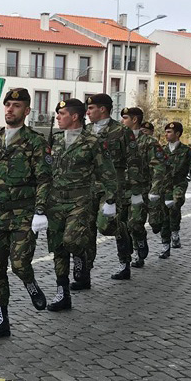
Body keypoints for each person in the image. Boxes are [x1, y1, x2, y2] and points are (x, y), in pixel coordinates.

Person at [0, 88, 51, 340]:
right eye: (7, 105)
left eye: (16, 105)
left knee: (19, 264)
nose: (10, 109)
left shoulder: (36, 142)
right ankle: (1, 318)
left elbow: (44, 179)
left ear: (26, 111)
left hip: (22, 215)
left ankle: (30, 283)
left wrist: (40, 211)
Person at [45, 99, 117, 311]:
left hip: (80, 201)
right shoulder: (56, 139)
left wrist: (110, 200)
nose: (58, 117)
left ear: (74, 116)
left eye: (62, 114)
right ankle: (62, 293)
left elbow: (107, 172)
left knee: (71, 240)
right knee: (58, 247)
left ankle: (81, 255)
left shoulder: (93, 142)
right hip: (55, 202)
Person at [74, 93, 135, 287]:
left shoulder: (122, 131)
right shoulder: (85, 130)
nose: (87, 112)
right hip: (88, 187)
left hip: (112, 187)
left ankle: (124, 255)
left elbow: (134, 162)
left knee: (106, 225)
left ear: (102, 109)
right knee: (86, 229)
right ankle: (84, 274)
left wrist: (135, 191)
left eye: (91, 108)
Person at [122, 115, 167, 269]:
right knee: (122, 226)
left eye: (125, 118)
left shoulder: (149, 142)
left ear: (134, 120)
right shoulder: (121, 140)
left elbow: (159, 166)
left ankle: (140, 244)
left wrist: (155, 189)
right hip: (122, 190)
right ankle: (128, 257)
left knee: (135, 223)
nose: (122, 121)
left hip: (140, 189)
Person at [159, 122, 191, 258]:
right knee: (164, 215)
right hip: (165, 186)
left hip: (179, 184)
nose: (166, 135)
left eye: (169, 132)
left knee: (175, 204)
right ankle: (165, 245)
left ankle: (175, 231)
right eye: (166, 132)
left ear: (177, 134)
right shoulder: (162, 150)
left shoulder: (186, 151)